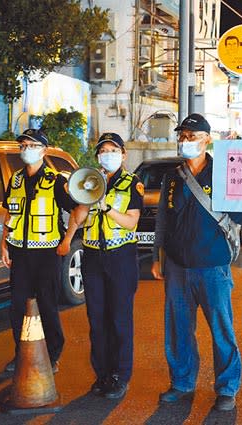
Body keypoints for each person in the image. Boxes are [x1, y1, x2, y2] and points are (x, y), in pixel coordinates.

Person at [150, 113, 242, 412]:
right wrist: (159, 255)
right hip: (177, 266)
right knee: (178, 330)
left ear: (207, 139)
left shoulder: (224, 172)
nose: (186, 141)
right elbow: (163, 219)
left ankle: (227, 387)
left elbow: (241, 213)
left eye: (192, 136)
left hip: (212, 266)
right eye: (182, 136)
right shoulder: (172, 176)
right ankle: (182, 382)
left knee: (222, 329)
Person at [59, 133, 143, 399]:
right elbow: (79, 217)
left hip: (121, 257)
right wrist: (84, 197)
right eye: (103, 151)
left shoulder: (132, 183)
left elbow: (131, 222)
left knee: (119, 318)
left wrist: (107, 208)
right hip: (93, 256)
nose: (107, 154)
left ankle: (120, 375)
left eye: (112, 150)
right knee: (97, 319)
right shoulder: (90, 181)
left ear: (123, 154)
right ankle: (102, 374)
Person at [0, 128, 76, 374]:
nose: (26, 150)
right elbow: (9, 213)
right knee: (18, 307)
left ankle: (53, 354)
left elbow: (76, 209)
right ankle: (20, 353)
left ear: (43, 150)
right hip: (20, 253)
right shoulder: (16, 180)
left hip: (47, 254)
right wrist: (4, 243)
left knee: (47, 305)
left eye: (32, 146)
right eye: (23, 146)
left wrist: (67, 240)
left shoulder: (56, 181)